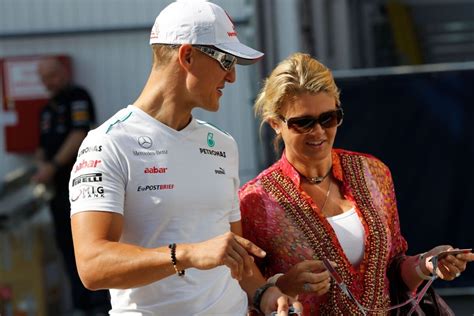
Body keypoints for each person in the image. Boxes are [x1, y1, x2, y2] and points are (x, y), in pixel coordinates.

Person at [69, 1, 301, 315]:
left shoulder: (222, 144)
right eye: (226, 60)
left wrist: (264, 293)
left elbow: (234, 256)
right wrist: (187, 255)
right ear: (187, 56)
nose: (232, 77)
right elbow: (92, 266)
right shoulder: (106, 144)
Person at [239, 52, 474, 315]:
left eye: (328, 118)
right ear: (275, 124)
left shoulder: (372, 173)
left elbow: (393, 271)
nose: (318, 131)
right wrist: (284, 285)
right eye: (303, 123)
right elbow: (240, 290)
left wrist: (427, 264)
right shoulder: (256, 201)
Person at [32, 57, 110, 314]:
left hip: (80, 187)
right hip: (55, 191)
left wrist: (52, 166)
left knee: (88, 242)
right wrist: (41, 164)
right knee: (65, 245)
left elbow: (79, 134)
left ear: (63, 72)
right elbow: (42, 145)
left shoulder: (77, 97)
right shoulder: (47, 110)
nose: (48, 83)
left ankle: (99, 304)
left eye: (51, 76)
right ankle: (80, 304)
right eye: (44, 78)